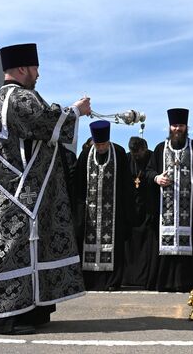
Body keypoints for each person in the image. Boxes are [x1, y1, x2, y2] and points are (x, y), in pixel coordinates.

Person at [0, 43, 90, 335]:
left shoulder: (3, 98)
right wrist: (77, 110)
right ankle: (3, 317)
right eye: (35, 68)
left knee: (20, 247)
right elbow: (43, 121)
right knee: (13, 248)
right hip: (18, 192)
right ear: (23, 68)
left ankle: (28, 310)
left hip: (9, 189)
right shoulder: (18, 96)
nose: (38, 74)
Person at [145, 108, 193, 292]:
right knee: (165, 245)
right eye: (174, 125)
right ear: (169, 127)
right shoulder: (159, 148)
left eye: (180, 125)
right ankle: (164, 283)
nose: (177, 129)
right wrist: (157, 178)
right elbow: (148, 172)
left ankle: (186, 283)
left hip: (190, 209)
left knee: (190, 247)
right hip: (166, 210)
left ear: (186, 127)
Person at [73, 121, 133, 291]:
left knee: (114, 246)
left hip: (114, 212)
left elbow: (127, 185)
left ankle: (112, 282)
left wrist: (127, 213)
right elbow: (78, 184)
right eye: (97, 144)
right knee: (87, 244)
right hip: (89, 214)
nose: (100, 148)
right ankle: (90, 282)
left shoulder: (119, 153)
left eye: (103, 144)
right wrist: (78, 213)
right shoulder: (85, 154)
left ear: (108, 140)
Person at [123, 137, 157, 288]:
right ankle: (129, 278)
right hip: (130, 207)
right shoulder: (127, 158)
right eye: (134, 153)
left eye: (139, 153)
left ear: (145, 148)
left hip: (148, 205)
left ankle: (145, 279)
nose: (136, 156)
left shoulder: (151, 157)